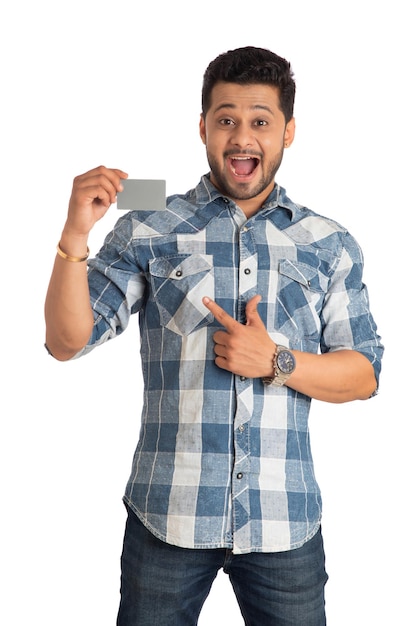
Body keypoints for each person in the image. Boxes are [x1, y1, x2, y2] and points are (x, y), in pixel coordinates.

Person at [44, 46, 383, 625]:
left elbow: (365, 374)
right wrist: (76, 230)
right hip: (167, 515)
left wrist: (275, 360)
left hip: (285, 521)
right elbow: (65, 340)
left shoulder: (328, 241)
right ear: (203, 127)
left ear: (288, 132)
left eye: (260, 121)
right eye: (226, 119)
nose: (242, 135)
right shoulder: (150, 224)